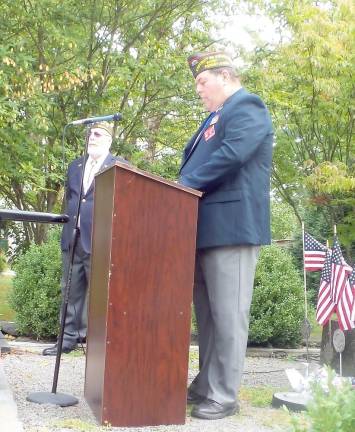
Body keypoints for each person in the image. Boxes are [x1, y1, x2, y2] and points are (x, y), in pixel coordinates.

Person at [179, 51, 273, 419]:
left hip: (232, 228)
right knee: (209, 317)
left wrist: (182, 185)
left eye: (203, 82)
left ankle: (224, 394)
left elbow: (233, 154)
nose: (199, 90)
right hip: (204, 229)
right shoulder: (212, 118)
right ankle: (205, 384)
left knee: (229, 315)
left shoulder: (247, 106)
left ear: (225, 75)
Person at [43, 122, 127, 356]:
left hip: (101, 241)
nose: (92, 138)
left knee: (102, 295)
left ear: (109, 140)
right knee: (69, 290)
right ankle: (67, 339)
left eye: (98, 135)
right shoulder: (76, 166)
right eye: (90, 134)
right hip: (73, 237)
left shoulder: (118, 166)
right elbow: (73, 199)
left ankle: (99, 344)